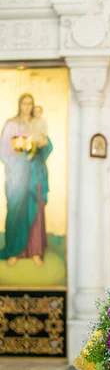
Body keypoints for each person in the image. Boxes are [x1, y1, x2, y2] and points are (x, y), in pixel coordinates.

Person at [0, 93, 52, 267]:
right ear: (19, 105)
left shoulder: (37, 123)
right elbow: (4, 151)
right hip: (18, 176)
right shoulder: (11, 124)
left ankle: (35, 251)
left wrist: (44, 143)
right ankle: (15, 251)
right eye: (24, 103)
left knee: (35, 210)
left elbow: (46, 144)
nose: (27, 107)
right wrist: (19, 158)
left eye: (30, 103)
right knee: (16, 211)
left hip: (36, 174)